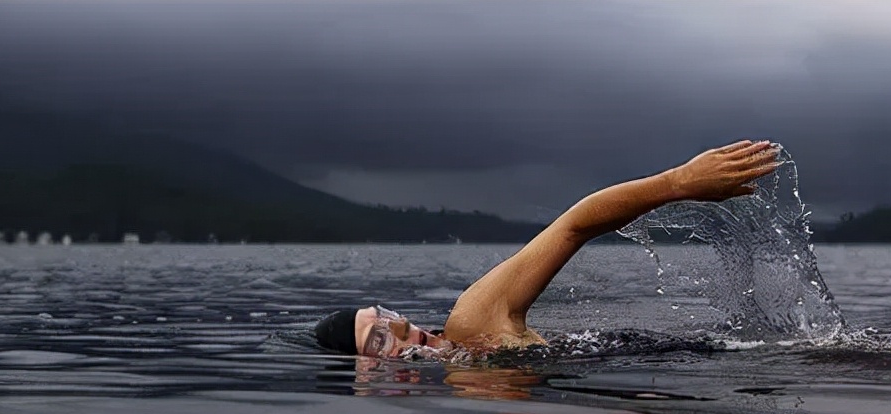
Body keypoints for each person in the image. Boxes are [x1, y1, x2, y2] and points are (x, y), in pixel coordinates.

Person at [316, 140, 782, 357]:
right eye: (378, 339)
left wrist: (679, 182)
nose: (398, 327)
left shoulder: (472, 322)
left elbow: (573, 226)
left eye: (384, 315)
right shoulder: (464, 378)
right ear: (367, 377)